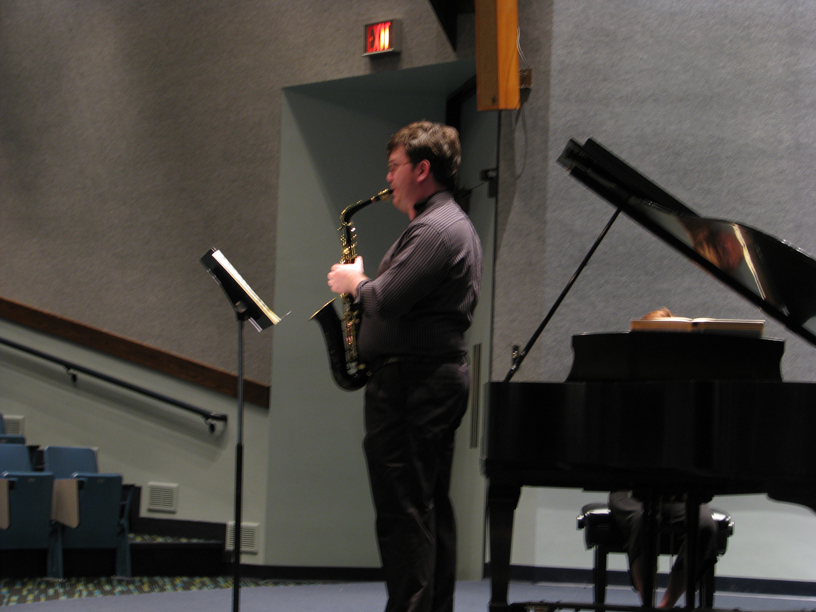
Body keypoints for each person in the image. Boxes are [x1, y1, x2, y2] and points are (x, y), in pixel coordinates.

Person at [326, 121, 482, 612]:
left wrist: (354, 282)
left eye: (395, 167)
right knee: (426, 506)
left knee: (403, 511)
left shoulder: (435, 230)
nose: (388, 177)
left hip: (413, 385)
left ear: (422, 169)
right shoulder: (443, 223)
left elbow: (386, 300)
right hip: (422, 381)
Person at [609, 308, 717, 609]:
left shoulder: (691, 387)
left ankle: (666, 605)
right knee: (644, 520)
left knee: (705, 526)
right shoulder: (624, 383)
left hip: (680, 487)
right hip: (631, 487)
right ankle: (647, 602)